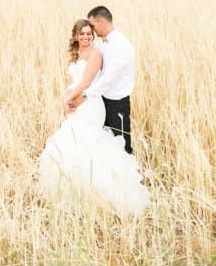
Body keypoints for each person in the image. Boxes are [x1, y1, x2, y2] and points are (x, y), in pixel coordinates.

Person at [37, 18, 149, 216]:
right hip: (76, 103)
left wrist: (70, 98)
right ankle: (73, 192)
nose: (86, 36)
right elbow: (73, 81)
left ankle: (99, 194)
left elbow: (87, 82)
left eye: (89, 33)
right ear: (76, 36)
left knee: (89, 142)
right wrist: (66, 97)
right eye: (82, 33)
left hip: (89, 104)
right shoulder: (77, 54)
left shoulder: (95, 54)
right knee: (71, 142)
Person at [70, 5, 135, 155]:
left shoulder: (121, 45)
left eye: (92, 26)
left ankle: (126, 177)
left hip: (117, 103)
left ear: (101, 22)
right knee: (103, 144)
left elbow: (109, 79)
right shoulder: (101, 44)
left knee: (122, 145)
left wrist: (84, 95)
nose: (91, 30)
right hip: (100, 100)